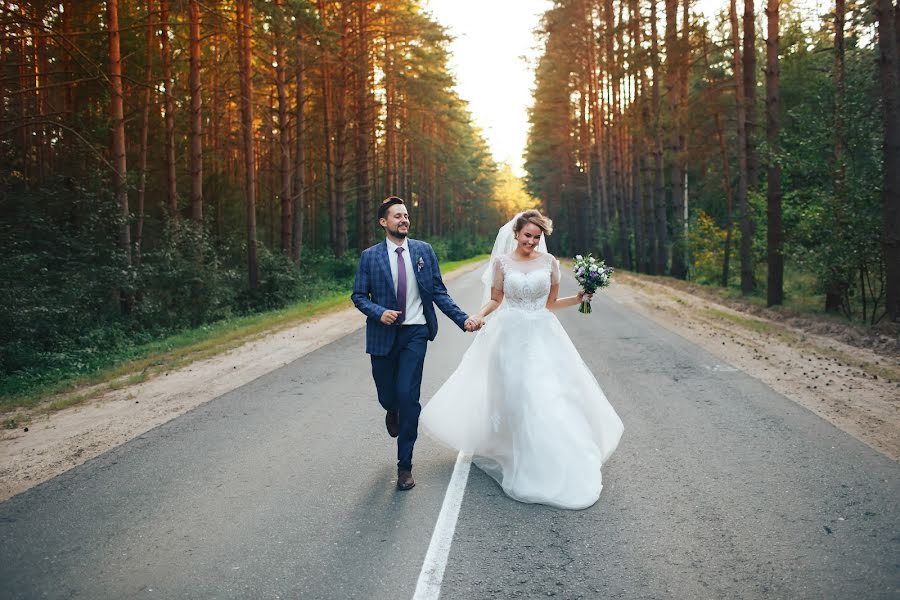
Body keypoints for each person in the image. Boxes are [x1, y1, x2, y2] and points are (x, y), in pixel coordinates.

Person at [420, 209, 624, 509]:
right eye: (527, 235)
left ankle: (546, 456)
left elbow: (551, 303)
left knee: (541, 394)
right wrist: (479, 315)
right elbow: (496, 299)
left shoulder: (550, 263)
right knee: (514, 395)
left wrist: (579, 299)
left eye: (537, 237)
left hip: (542, 334)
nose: (532, 241)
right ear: (516, 234)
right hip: (509, 336)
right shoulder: (502, 263)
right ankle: (516, 448)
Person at [352, 197, 484, 491]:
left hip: (416, 333)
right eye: (397, 216)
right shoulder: (369, 257)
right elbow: (358, 296)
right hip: (382, 336)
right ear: (383, 222)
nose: (404, 219)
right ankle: (391, 409)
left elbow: (438, 292)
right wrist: (379, 313)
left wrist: (463, 319)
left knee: (408, 397)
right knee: (389, 396)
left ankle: (405, 466)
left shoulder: (424, 251)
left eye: (406, 215)